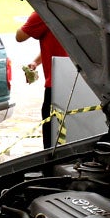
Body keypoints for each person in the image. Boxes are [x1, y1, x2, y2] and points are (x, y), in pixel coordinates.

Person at [16, 10, 68, 148]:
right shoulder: (68, 8)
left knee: (51, 136)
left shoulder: (43, 13)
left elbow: (19, 36)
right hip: (78, 81)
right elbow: (56, 42)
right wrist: (36, 62)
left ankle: (52, 166)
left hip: (56, 86)